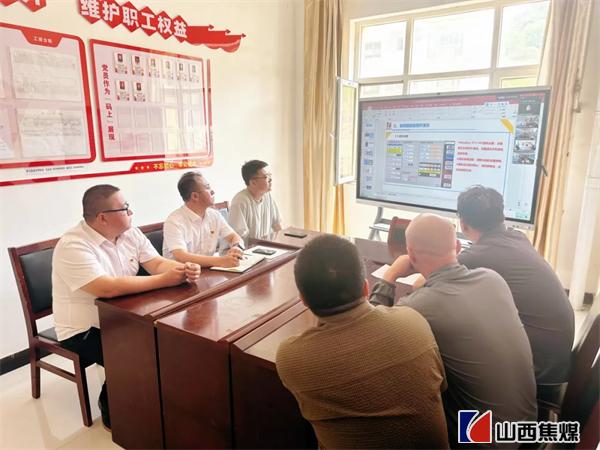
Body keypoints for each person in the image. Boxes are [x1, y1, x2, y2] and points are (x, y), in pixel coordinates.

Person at [370, 213, 537, 448]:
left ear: (411, 254)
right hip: (526, 428)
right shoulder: (492, 279)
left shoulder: (417, 307)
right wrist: (425, 287)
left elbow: (370, 336)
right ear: (457, 246)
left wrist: (389, 277)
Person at [276, 235, 450, 449]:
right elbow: (440, 387)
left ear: (303, 299)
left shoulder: (291, 357)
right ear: (366, 288)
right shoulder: (413, 321)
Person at [52, 184, 200, 430]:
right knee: (137, 352)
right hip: (83, 329)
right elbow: (106, 288)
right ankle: (113, 408)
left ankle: (157, 398)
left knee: (169, 341)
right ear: (103, 217)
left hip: (125, 317)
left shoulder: (130, 233)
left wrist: (182, 269)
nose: (131, 212)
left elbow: (156, 263)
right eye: (125, 208)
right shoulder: (73, 245)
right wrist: (164, 279)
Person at [456, 185, 574, 396]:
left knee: (451, 342)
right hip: (555, 360)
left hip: (538, 371)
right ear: (502, 216)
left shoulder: (477, 256)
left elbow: (430, 281)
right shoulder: (517, 237)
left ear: (463, 224)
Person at [163, 171, 244, 268]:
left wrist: (236, 247)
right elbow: (181, 256)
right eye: (207, 188)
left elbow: (234, 237)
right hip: (181, 273)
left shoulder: (214, 215)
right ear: (195, 196)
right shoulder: (174, 221)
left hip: (207, 269)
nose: (213, 191)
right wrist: (221, 261)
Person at [228, 160, 282, 238]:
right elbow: (237, 237)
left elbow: (277, 225)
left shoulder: (267, 196)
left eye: (270, 175)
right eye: (266, 177)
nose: (270, 179)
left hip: (264, 245)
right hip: (246, 246)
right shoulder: (240, 202)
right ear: (253, 182)